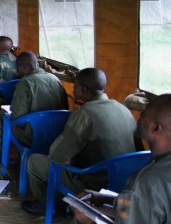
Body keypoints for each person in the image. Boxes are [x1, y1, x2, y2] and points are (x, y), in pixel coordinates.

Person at [55, 94, 171, 224]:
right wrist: (110, 198)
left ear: (156, 128)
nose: (139, 116)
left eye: (145, 113)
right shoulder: (161, 172)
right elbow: (161, 208)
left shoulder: (148, 182)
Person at [22, 68, 137, 216]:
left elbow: (58, 156)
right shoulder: (124, 109)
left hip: (94, 183)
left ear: (83, 89)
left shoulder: (85, 114)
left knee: (34, 162)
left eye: (75, 86)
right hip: (126, 183)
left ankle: (47, 205)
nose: (74, 90)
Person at [0, 51, 68, 163]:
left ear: (24, 67)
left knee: (1, 117)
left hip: (33, 135)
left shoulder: (25, 82)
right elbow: (65, 108)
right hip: (57, 133)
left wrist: (10, 111)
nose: (17, 72)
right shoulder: (55, 79)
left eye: (17, 68)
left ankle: (0, 159)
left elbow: (17, 116)